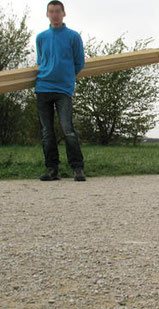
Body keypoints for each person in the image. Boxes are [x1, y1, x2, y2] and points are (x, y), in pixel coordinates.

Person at [35, 1, 86, 181]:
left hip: (63, 90)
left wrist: (65, 77)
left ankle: (77, 168)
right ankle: (52, 169)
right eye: (51, 11)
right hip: (42, 88)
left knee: (68, 129)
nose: (55, 14)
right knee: (47, 132)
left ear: (64, 14)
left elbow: (79, 63)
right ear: (47, 15)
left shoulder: (73, 37)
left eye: (58, 11)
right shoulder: (41, 37)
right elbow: (40, 61)